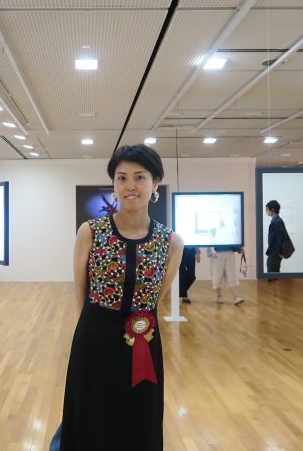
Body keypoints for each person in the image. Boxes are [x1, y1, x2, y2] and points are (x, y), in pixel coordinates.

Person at [52, 144, 183, 451]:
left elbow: (156, 297)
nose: (130, 186)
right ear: (114, 184)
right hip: (94, 337)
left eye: (140, 177)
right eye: (122, 178)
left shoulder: (170, 242)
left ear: (155, 183)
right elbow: (80, 291)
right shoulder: (91, 232)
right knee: (92, 411)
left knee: (139, 412)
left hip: (143, 338)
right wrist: (87, 331)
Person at [265, 200, 287, 277]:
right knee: (273, 275)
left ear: (272, 210)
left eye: (267, 209)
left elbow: (280, 239)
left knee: (272, 277)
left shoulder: (278, 221)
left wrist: (278, 253)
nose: (266, 211)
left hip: (275, 254)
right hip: (273, 253)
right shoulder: (275, 221)